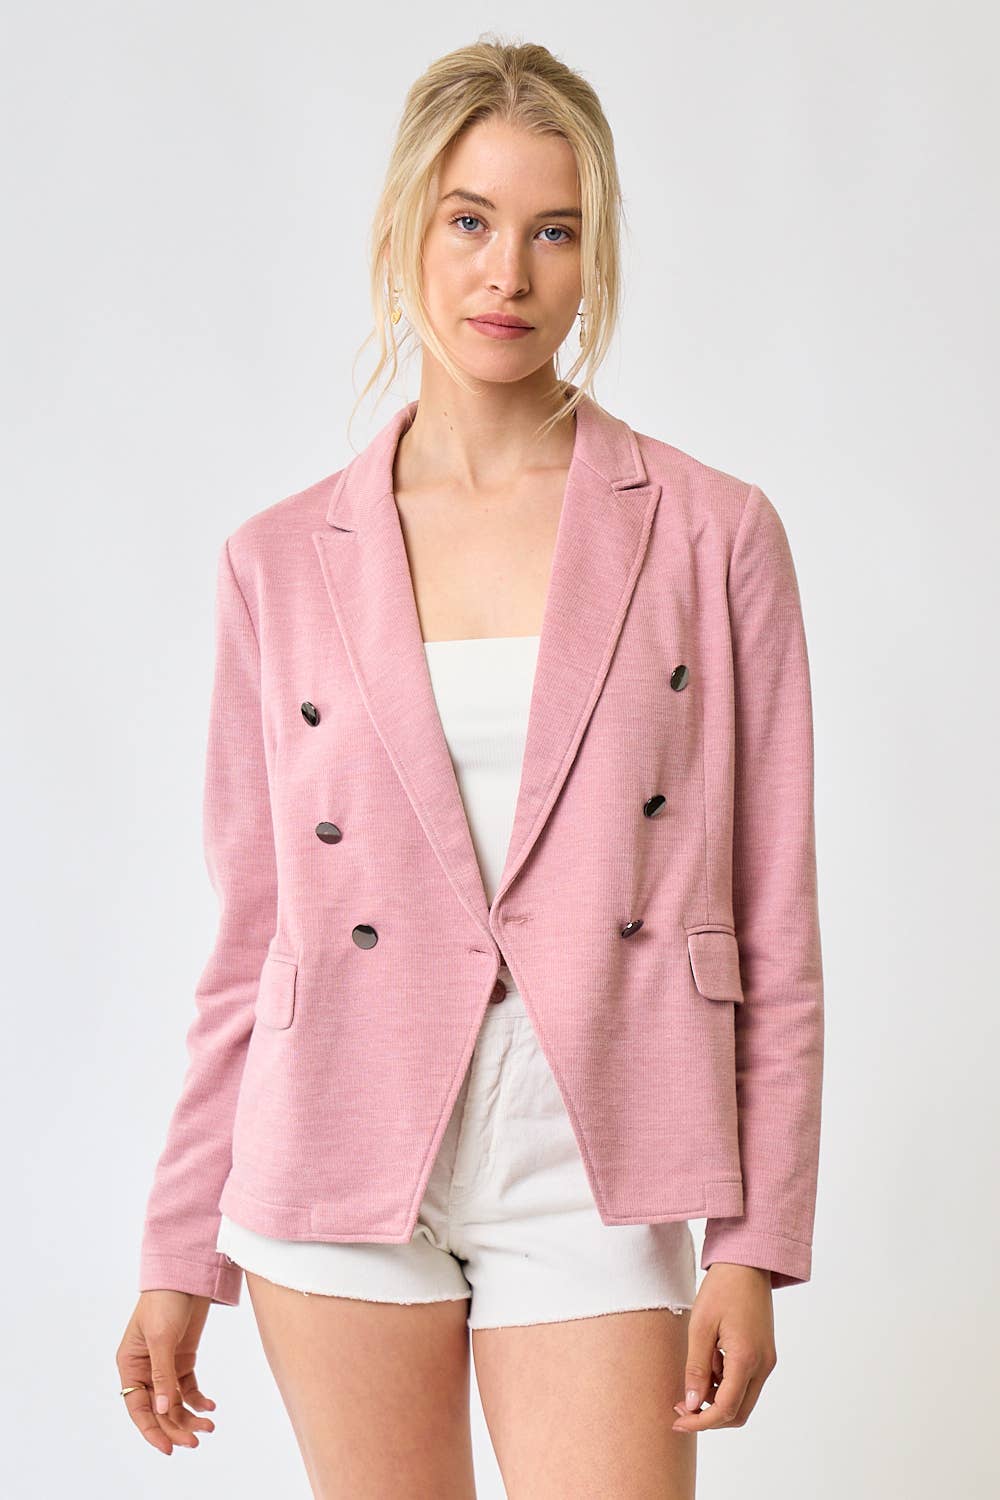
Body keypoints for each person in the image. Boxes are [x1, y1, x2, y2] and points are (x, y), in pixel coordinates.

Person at [116, 36, 824, 1497]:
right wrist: (179, 1245)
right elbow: (252, 929)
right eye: (470, 220)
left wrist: (756, 1245)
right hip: (336, 1138)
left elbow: (775, 918)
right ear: (404, 232)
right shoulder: (278, 563)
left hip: (598, 1141)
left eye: (554, 230)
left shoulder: (712, 533)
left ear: (596, 256)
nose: (508, 273)